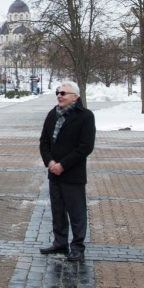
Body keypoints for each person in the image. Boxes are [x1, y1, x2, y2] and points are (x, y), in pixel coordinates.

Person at [39, 82, 96, 263]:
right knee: (57, 210)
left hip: (72, 174)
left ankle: (77, 247)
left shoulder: (85, 116)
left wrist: (63, 165)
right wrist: (50, 162)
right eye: (57, 93)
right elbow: (44, 142)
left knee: (76, 212)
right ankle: (60, 242)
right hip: (54, 172)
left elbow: (85, 147)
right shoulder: (52, 114)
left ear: (75, 96)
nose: (59, 96)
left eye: (63, 93)